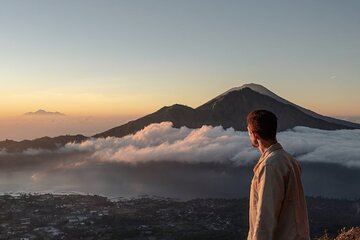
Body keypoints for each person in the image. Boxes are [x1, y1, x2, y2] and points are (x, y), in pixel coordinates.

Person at [246, 110, 310, 240]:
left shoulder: (270, 166)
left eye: (248, 131)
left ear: (254, 134)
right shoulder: (288, 159)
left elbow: (265, 216)